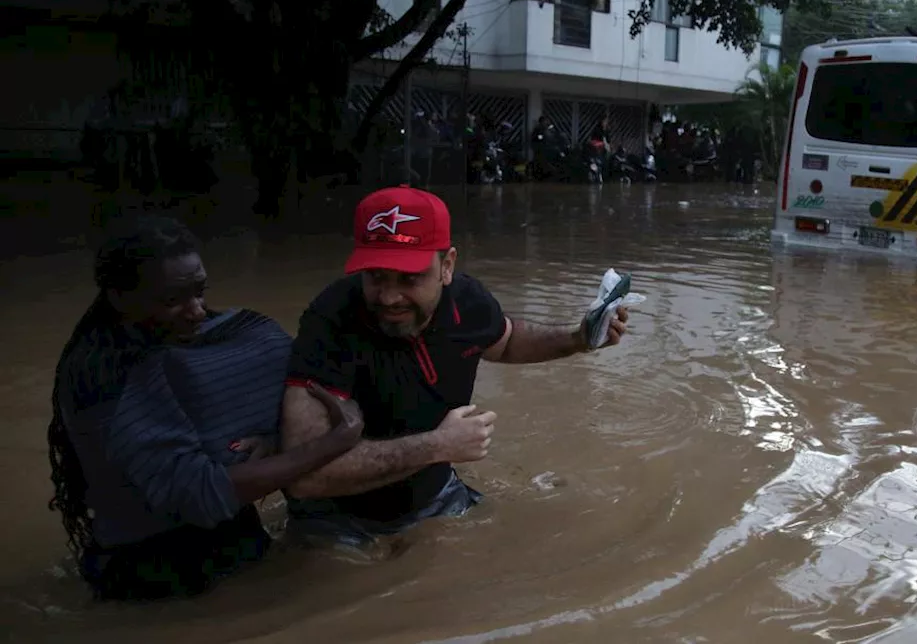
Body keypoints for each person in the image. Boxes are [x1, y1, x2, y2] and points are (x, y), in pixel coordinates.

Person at [280, 185, 629, 545]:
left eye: (409, 278)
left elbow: (506, 342)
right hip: (337, 520)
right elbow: (305, 475)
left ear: (447, 266)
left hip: (436, 496)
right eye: (376, 276)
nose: (388, 296)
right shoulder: (330, 322)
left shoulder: (466, 302)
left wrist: (577, 339)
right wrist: (438, 445)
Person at [48, 216, 364, 601]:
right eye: (172, 300)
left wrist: (278, 436)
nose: (197, 310)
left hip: (240, 539)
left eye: (200, 292)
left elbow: (264, 401)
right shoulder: (101, 377)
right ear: (118, 296)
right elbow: (195, 492)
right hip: (151, 572)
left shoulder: (221, 334)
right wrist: (335, 442)